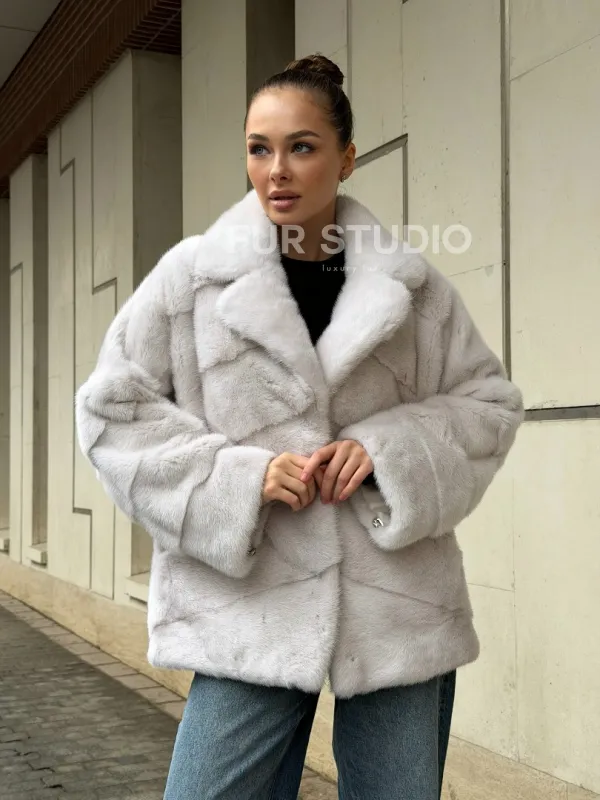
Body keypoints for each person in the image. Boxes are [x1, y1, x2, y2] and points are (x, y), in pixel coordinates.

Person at [75, 54, 523, 800]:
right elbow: (110, 410)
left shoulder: (412, 288)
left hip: (397, 604)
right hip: (246, 599)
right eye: (259, 148)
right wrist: (237, 480)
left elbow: (489, 404)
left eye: (302, 147)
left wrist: (386, 452)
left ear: (346, 158)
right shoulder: (192, 280)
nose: (276, 170)